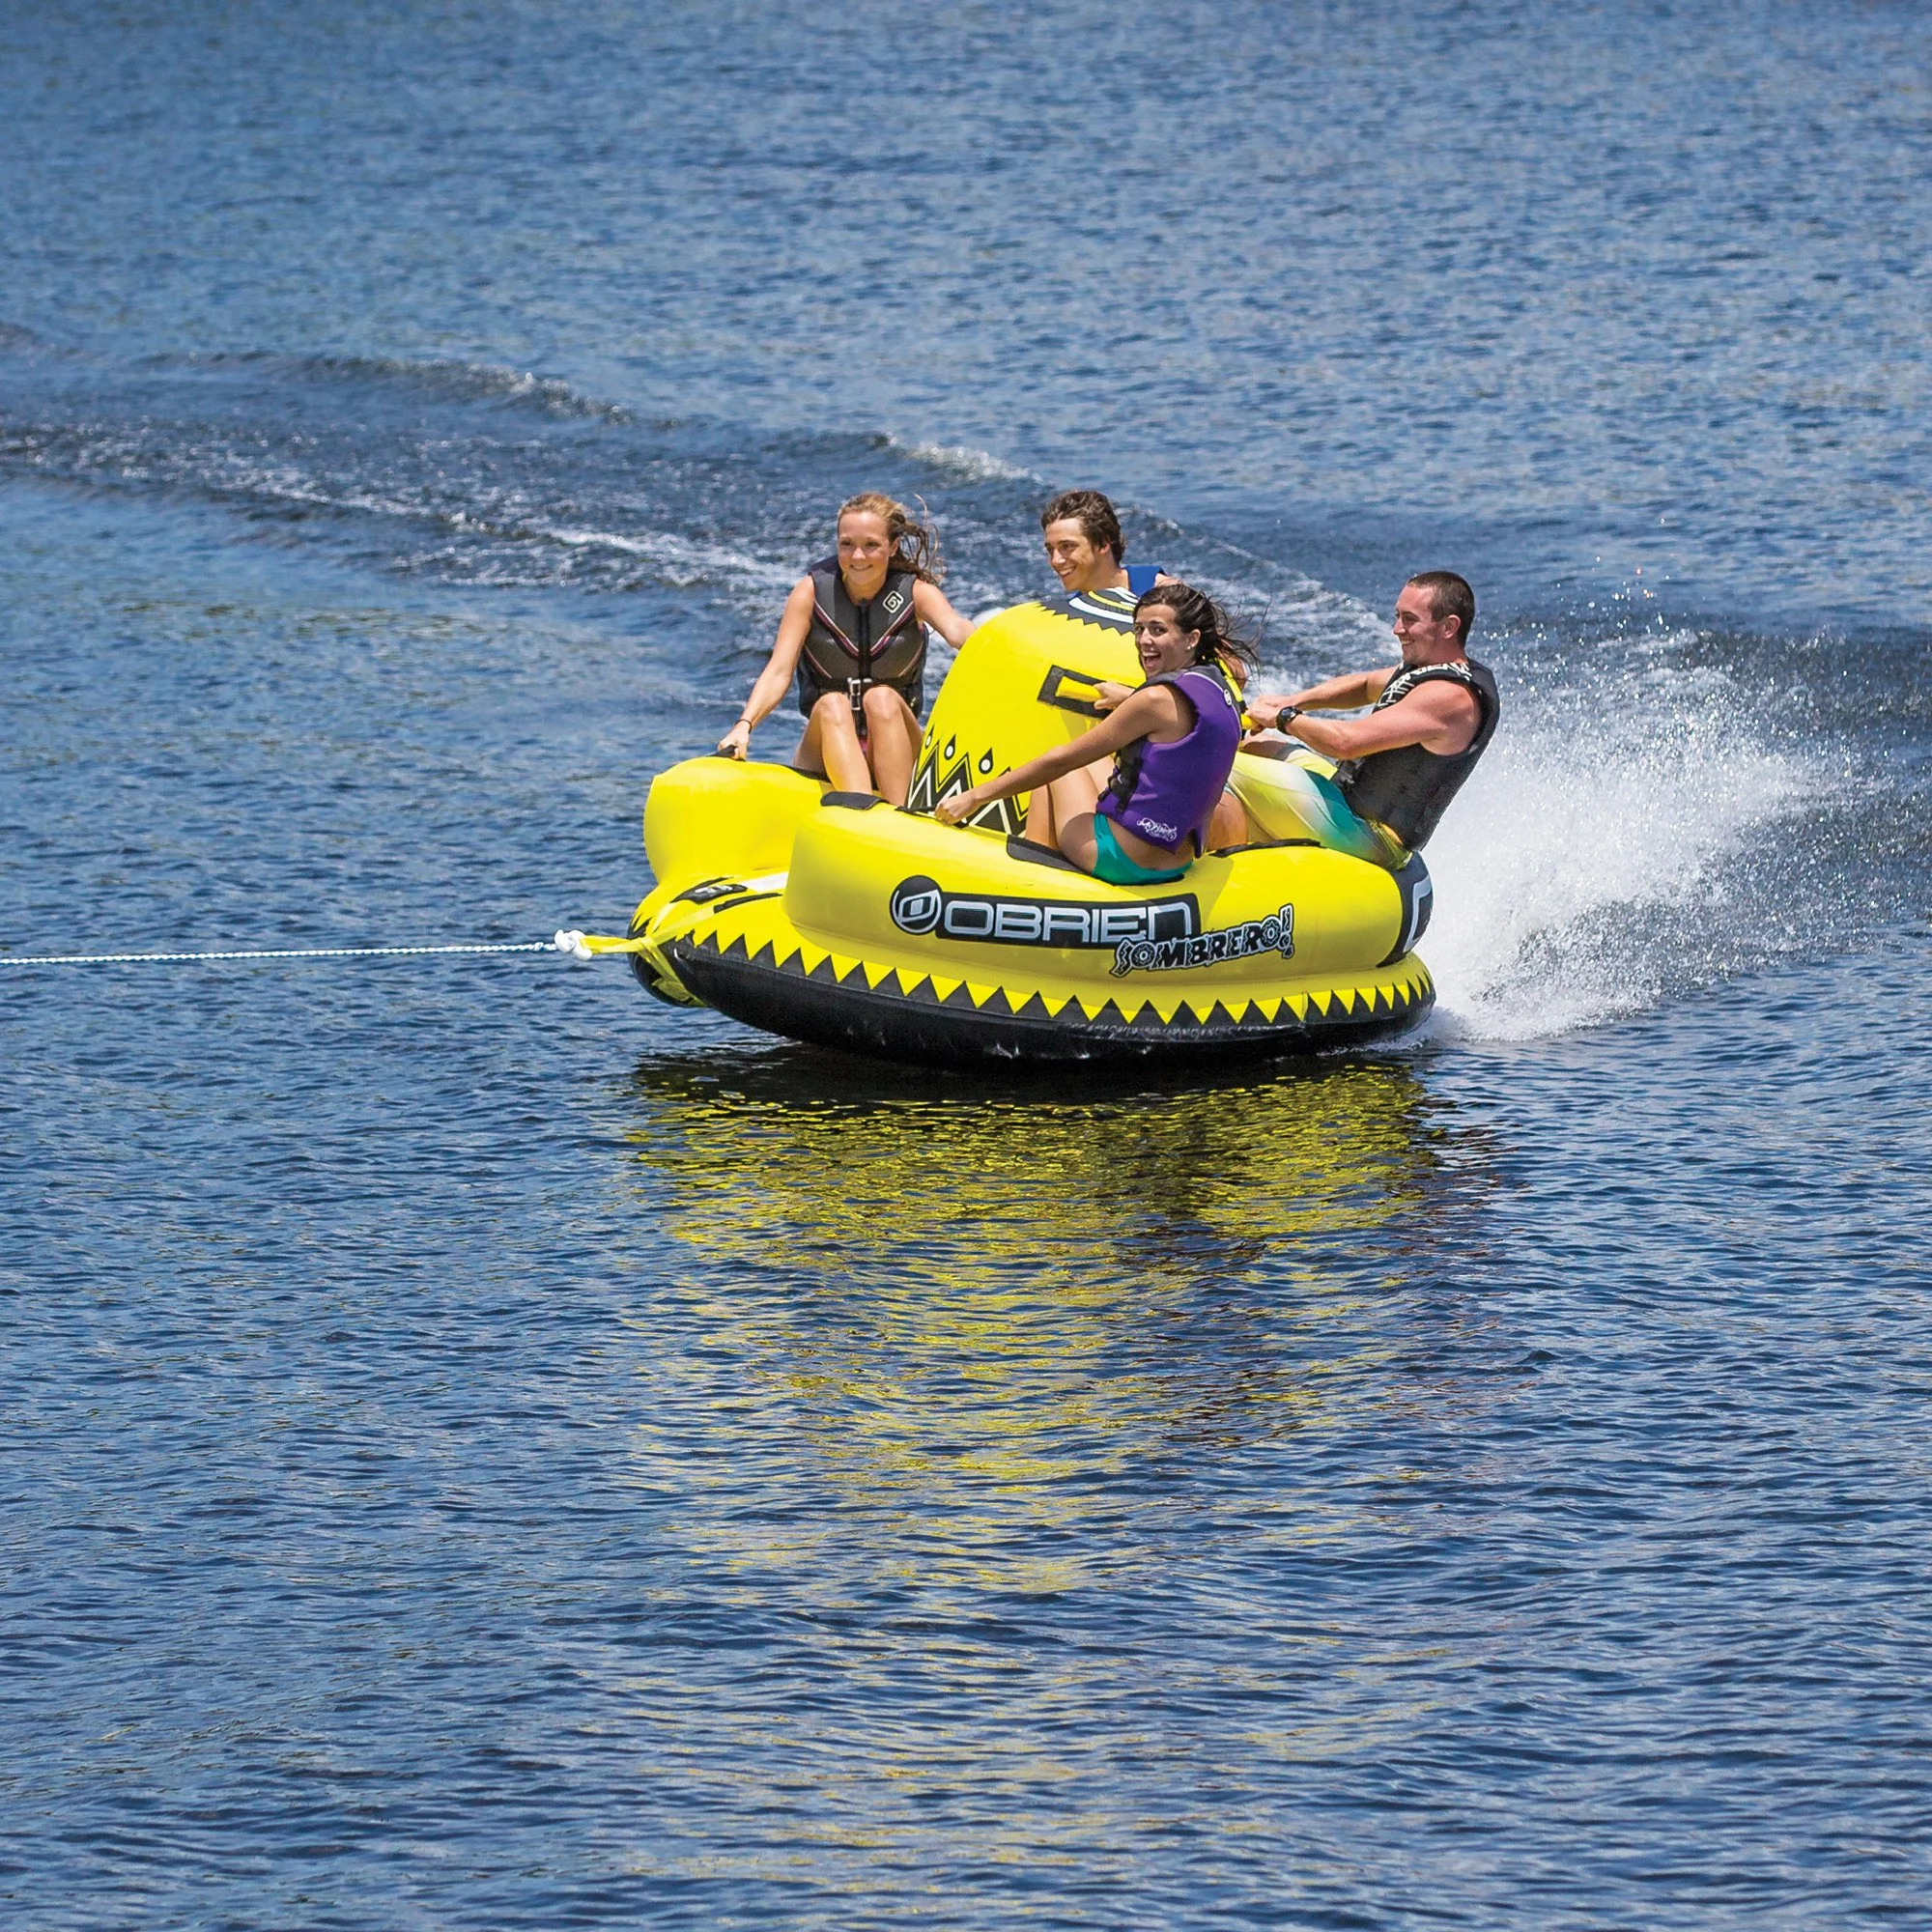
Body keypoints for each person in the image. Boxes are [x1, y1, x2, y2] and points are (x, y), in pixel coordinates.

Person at [934, 583, 1254, 885]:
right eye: (1139, 629)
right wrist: (1130, 698)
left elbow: (1061, 760)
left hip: (1123, 860)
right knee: (1097, 764)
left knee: (1058, 769)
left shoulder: (1153, 701)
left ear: (1191, 638)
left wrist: (975, 796)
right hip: (1176, 859)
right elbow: (1181, 730)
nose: (1144, 640)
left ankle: (1030, 880)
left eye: (1158, 630)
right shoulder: (1218, 688)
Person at [716, 494, 973, 805]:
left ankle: (900, 820)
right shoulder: (810, 592)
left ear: (892, 548)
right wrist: (744, 727)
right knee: (830, 704)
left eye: (871, 545)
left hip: (899, 751)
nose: (858, 556)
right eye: (847, 544)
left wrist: (1005, 640)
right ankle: (859, 814)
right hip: (827, 752)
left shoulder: (917, 594)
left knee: (881, 699)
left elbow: (958, 631)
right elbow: (778, 670)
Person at [1237, 570, 1499, 866]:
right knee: (1256, 747)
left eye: (1409, 619)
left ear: (1449, 627)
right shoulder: (1426, 669)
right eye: (1397, 616)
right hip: (1346, 799)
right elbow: (1364, 686)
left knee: (1232, 772)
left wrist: (1285, 717)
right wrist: (1292, 700)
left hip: (1372, 838)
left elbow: (1347, 743)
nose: (1397, 629)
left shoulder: (1450, 698)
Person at [1039, 490, 1172, 601]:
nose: (1055, 561)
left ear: (1103, 544)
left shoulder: (1165, 595)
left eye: (1067, 546)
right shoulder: (1068, 619)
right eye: (1050, 550)